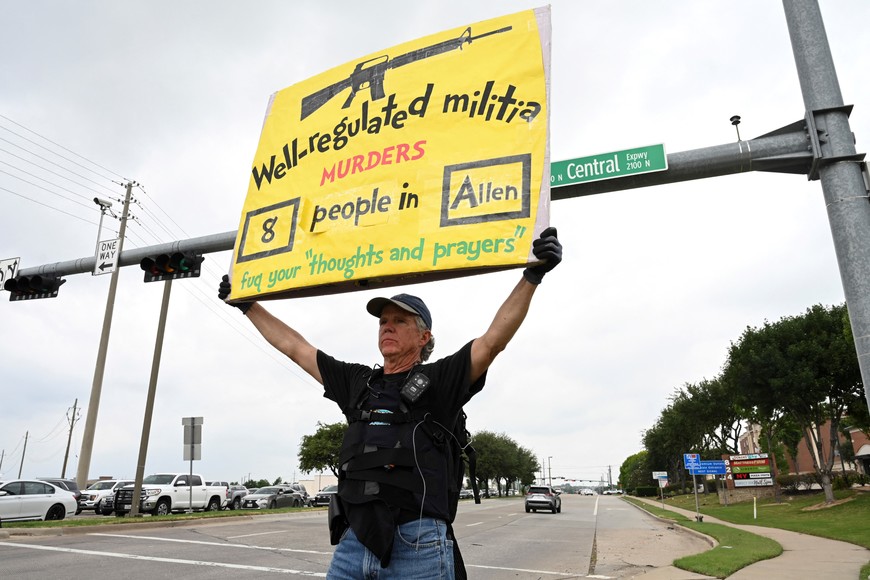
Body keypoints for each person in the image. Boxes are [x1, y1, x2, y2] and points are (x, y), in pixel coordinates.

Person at [218, 227, 562, 579]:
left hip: (419, 545)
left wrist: (532, 276)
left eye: (399, 321)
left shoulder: (440, 381)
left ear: (424, 336)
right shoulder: (357, 382)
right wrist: (248, 306)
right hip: (354, 542)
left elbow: (492, 342)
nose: (387, 327)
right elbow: (296, 347)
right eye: (383, 321)